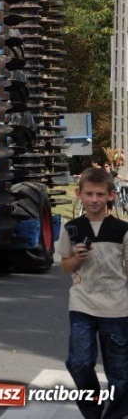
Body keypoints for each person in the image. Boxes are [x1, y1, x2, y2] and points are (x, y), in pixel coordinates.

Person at [57, 167, 128, 418]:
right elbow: (65, 266)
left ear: (111, 195)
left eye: (100, 194)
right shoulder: (72, 228)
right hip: (82, 305)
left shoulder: (122, 229)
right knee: (78, 362)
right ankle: (92, 410)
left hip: (117, 308)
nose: (94, 199)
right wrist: (76, 258)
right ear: (79, 194)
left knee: (120, 373)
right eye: (89, 194)